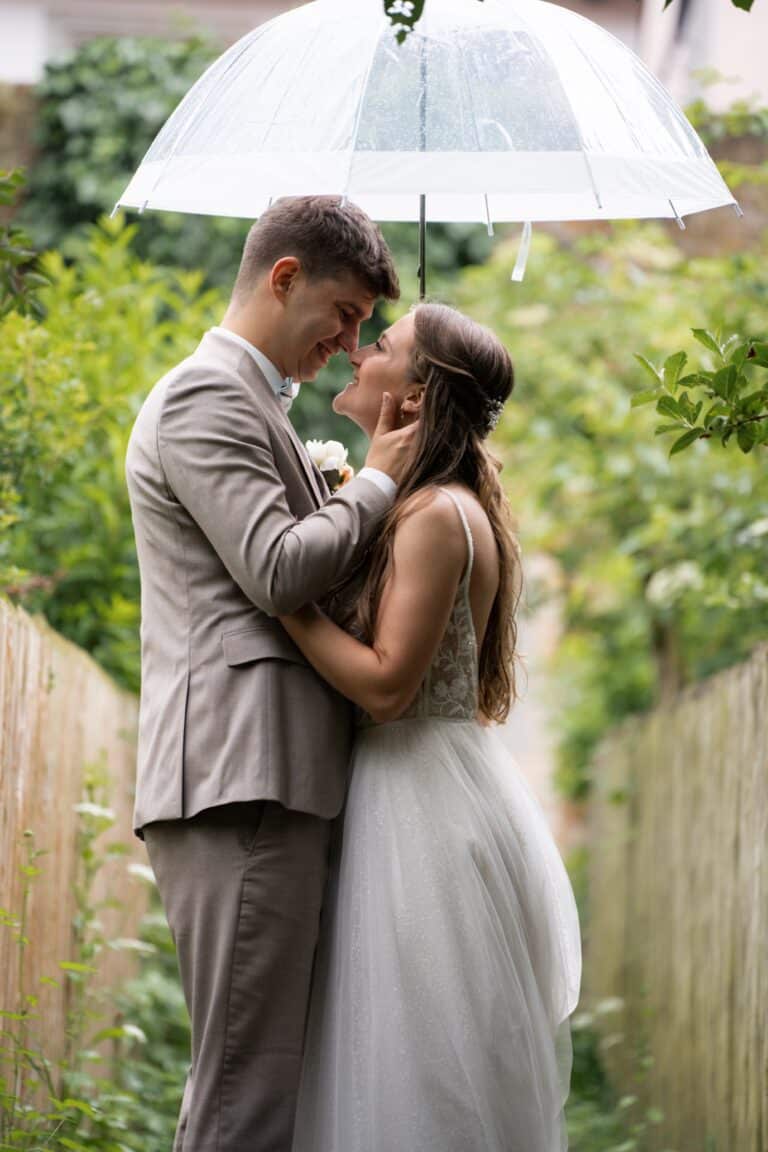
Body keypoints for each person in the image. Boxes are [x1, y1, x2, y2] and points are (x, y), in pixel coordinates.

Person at [124, 195, 417, 1152]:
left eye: (366, 328)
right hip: (240, 775)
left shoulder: (259, 405)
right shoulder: (207, 396)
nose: (349, 342)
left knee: (258, 1081)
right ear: (284, 278)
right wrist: (375, 481)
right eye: (344, 315)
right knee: (246, 1093)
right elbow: (278, 567)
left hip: (270, 775)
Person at [279, 303, 582, 1152]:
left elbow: (384, 687)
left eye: (381, 345)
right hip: (421, 787)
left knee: (416, 1066)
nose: (358, 351)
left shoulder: (435, 517)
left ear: (414, 396)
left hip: (418, 811)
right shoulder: (429, 507)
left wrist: (286, 602)